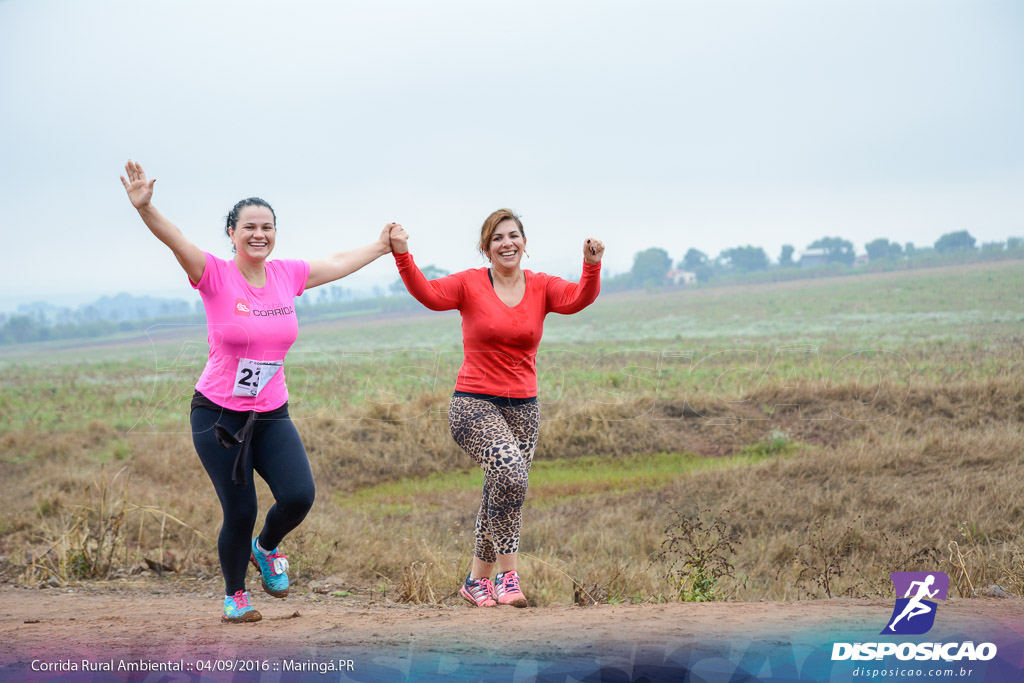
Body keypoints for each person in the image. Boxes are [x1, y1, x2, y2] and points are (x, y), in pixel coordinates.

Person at [120, 160, 395, 622]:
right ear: (232, 233)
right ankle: (235, 596)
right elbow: (176, 240)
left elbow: (337, 264)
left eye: (267, 227)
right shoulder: (213, 274)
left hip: (270, 411)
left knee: (298, 495)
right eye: (249, 226)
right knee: (241, 507)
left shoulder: (287, 275)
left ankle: (265, 549)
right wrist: (147, 209)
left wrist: (382, 246)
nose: (259, 234)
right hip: (217, 415)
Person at [388, 209, 604, 608]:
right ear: (486, 248)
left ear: (524, 242)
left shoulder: (541, 286)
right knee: (511, 475)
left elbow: (577, 299)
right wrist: (403, 255)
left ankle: (475, 582)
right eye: (497, 238)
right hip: (473, 404)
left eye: (513, 236)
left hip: (523, 408)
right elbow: (429, 294)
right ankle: (508, 576)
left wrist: (591, 266)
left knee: (503, 489)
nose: (507, 243)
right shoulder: (470, 284)